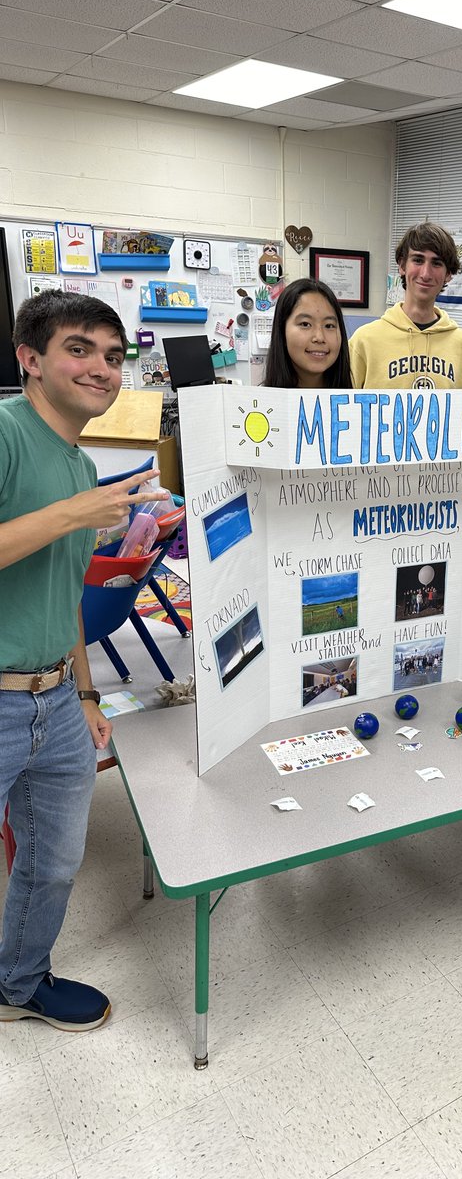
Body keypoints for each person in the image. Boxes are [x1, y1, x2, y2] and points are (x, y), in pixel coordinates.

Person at [0, 289, 167, 1032]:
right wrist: (79, 513)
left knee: (53, 862)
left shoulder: (75, 465)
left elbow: (62, 591)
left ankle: (18, 985)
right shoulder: (5, 435)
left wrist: (89, 694)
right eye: (80, 348)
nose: (101, 367)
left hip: (58, 700)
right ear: (30, 359)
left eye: (113, 355)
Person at [349, 222, 462, 391]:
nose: (426, 274)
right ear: (402, 266)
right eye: (418, 260)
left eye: (436, 263)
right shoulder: (363, 341)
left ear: (448, 274)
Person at [263, 278, 352, 389]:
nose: (319, 337)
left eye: (329, 326)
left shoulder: (354, 404)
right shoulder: (262, 403)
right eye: (305, 324)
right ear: (282, 331)